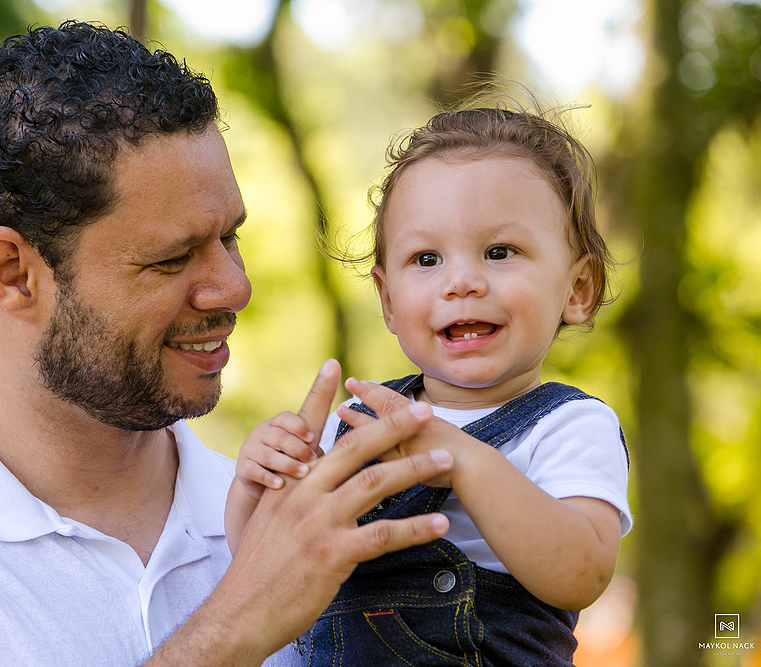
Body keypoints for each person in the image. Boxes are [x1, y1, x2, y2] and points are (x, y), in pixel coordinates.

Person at [0, 21, 457, 666]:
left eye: (230, 238)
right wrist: (238, 624)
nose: (234, 287)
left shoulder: (297, 522)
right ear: (15, 275)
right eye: (172, 258)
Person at [226, 102, 632, 664]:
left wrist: (460, 458)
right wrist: (256, 491)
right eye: (426, 259)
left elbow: (581, 573)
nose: (461, 281)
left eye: (499, 252)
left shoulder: (569, 426)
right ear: (388, 300)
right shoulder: (361, 420)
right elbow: (268, 572)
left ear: (577, 289)